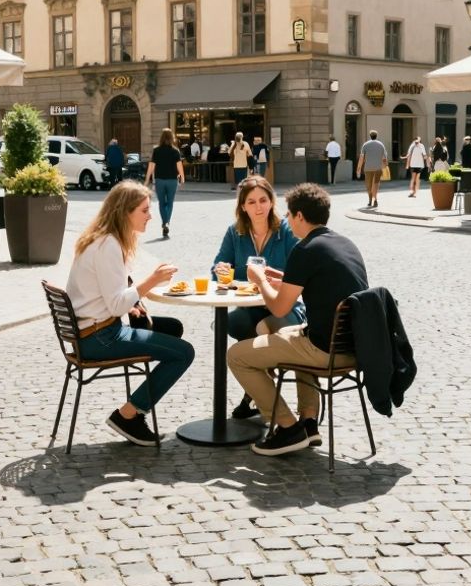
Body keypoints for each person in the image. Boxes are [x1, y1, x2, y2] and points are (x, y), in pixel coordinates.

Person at [229, 183, 368, 456]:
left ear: (301, 216)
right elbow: (316, 280)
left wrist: (258, 279)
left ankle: (288, 427)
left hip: (324, 351)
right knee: (296, 333)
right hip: (354, 347)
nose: (287, 220)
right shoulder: (343, 243)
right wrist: (279, 276)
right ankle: (308, 423)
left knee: (236, 356)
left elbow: (279, 308)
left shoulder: (305, 250)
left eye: (290, 215)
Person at [66, 181, 193, 446]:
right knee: (184, 352)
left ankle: (135, 408)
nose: (150, 216)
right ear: (126, 212)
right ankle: (129, 415)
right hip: (100, 336)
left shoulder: (102, 239)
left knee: (172, 328)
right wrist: (151, 281)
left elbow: (112, 299)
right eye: (145, 210)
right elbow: (115, 306)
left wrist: (137, 295)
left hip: (92, 330)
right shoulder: (107, 246)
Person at [211, 176, 304, 420]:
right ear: (243, 206)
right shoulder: (235, 233)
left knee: (264, 329)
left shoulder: (286, 231)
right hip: (251, 306)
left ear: (272, 202)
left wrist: (274, 281)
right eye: (251, 202)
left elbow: (301, 274)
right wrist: (220, 269)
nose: (258, 207)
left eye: (263, 200)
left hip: (285, 306)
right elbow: (218, 266)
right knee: (229, 323)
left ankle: (255, 396)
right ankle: (257, 391)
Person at [145, 128, 185, 238]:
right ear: (172, 138)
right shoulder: (175, 151)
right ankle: (167, 222)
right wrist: (182, 178)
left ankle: (164, 223)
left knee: (162, 203)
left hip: (160, 180)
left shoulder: (156, 150)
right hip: (172, 180)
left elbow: (151, 165)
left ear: (161, 137)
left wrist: (147, 179)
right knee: (170, 202)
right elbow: (179, 166)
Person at [356, 131, 389, 209]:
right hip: (378, 168)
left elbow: (361, 158)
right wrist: (385, 166)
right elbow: (384, 159)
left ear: (370, 136)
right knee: (376, 185)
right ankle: (375, 199)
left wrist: (359, 168)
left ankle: (370, 200)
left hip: (368, 168)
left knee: (369, 185)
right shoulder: (381, 145)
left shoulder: (365, 145)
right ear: (376, 136)